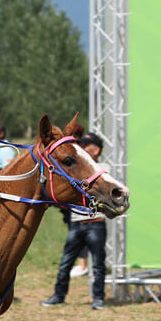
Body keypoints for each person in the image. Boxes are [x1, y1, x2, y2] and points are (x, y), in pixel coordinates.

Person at [40, 133, 108, 310]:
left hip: (96, 224)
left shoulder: (103, 170)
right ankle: (58, 295)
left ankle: (98, 298)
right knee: (65, 263)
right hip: (77, 224)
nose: (82, 148)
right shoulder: (78, 169)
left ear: (96, 150)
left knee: (98, 265)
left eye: (86, 145)